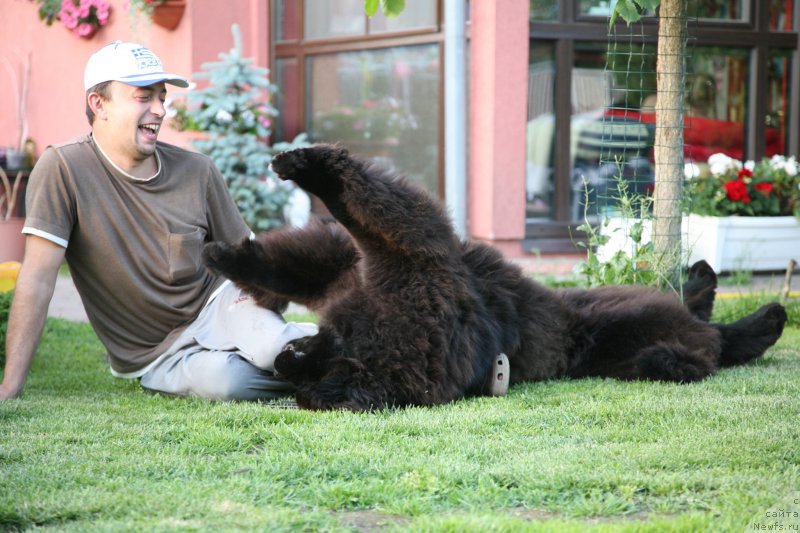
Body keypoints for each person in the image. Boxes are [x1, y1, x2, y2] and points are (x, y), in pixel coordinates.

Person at [0, 41, 316, 401]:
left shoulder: (198, 170)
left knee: (273, 348)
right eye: (143, 97)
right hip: (153, 355)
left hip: (220, 304)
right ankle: (307, 363)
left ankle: (341, 361)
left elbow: (249, 261)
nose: (160, 110)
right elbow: (38, 279)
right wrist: (11, 385)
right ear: (98, 104)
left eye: (162, 97)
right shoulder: (62, 170)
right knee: (231, 383)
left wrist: (271, 305)